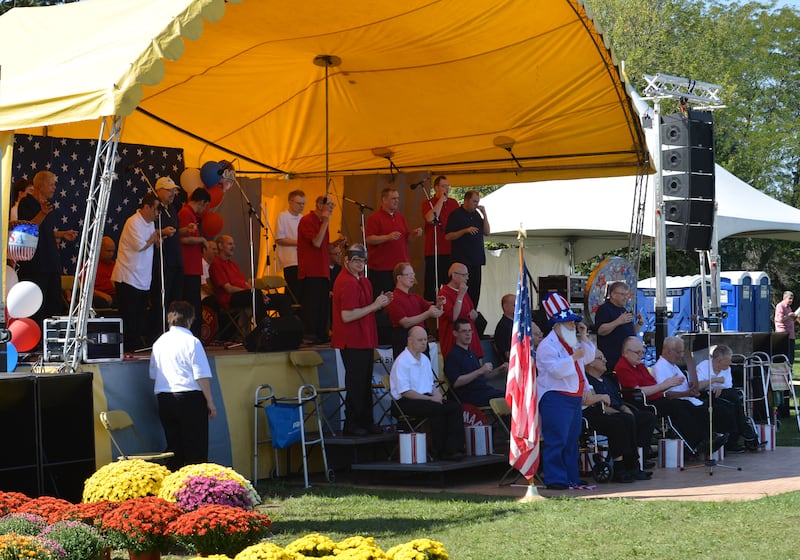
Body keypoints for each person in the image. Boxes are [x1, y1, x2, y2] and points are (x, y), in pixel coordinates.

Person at [615, 336, 727, 454]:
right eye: (638, 352)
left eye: (642, 352)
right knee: (677, 406)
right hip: (642, 402)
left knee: (688, 405)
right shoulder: (623, 367)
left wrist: (669, 384)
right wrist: (664, 385)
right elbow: (638, 391)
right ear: (626, 352)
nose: (641, 355)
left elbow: (655, 386)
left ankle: (707, 437)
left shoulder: (640, 366)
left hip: (657, 397)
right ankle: (697, 441)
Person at [535, 292, 595, 490]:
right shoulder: (547, 346)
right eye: (569, 323)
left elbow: (588, 358)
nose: (573, 326)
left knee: (571, 440)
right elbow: (555, 370)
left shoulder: (572, 342)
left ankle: (571, 477)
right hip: (555, 397)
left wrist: (584, 336)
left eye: (573, 322)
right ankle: (555, 478)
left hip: (573, 397)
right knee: (556, 439)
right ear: (558, 325)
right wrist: (574, 358)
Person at [332, 244, 392, 436]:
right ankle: (352, 423)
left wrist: (381, 302)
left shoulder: (364, 281)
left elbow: (366, 308)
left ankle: (366, 421)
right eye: (356, 260)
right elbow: (347, 316)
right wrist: (375, 306)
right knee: (356, 383)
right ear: (346, 261)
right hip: (352, 340)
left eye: (362, 260)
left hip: (365, 338)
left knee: (365, 383)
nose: (360, 264)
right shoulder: (346, 282)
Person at [149, 300, 217, 470]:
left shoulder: (159, 342)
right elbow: (201, 375)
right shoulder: (192, 342)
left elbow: (152, 373)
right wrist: (210, 401)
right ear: (190, 319)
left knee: (174, 447)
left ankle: (173, 486)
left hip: (165, 396)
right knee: (196, 447)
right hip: (190, 396)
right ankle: (196, 489)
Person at [390, 326, 465, 461]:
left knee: (455, 407)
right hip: (405, 401)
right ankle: (438, 450)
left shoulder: (424, 359)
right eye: (420, 340)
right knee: (436, 409)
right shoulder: (402, 361)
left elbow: (430, 385)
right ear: (410, 340)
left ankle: (455, 449)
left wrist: (437, 395)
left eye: (425, 339)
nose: (424, 342)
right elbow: (405, 392)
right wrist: (429, 399)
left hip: (425, 397)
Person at [16, 170, 78, 328]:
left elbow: (44, 232)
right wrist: (42, 213)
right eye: (51, 184)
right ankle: (35, 343)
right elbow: (28, 229)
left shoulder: (47, 206)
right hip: (35, 265)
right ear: (41, 185)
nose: (54, 188)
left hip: (51, 263)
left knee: (54, 305)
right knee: (37, 307)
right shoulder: (26, 203)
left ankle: (51, 342)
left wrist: (62, 234)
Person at [112, 192, 173, 351]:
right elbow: (140, 245)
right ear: (146, 207)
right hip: (128, 276)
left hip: (143, 277)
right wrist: (156, 237)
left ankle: (137, 344)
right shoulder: (133, 222)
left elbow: (150, 241)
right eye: (156, 209)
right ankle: (128, 346)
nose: (157, 213)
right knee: (130, 314)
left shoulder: (150, 223)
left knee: (140, 314)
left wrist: (158, 239)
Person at [583, 349, 655, 481]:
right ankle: (621, 466)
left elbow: (618, 401)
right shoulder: (587, 381)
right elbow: (598, 405)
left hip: (617, 412)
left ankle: (637, 461)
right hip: (597, 414)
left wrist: (625, 408)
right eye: (601, 358)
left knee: (646, 417)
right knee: (622, 421)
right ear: (591, 363)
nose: (605, 360)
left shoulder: (607, 380)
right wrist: (621, 412)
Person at [695, 344, 762, 452]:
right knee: (732, 399)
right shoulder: (703, 367)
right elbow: (697, 386)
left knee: (732, 402)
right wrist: (715, 381)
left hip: (723, 394)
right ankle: (746, 433)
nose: (730, 363)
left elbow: (727, 385)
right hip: (705, 394)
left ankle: (737, 438)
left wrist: (720, 387)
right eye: (728, 360)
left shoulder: (727, 369)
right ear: (719, 361)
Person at [210, 234, 289, 324]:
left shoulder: (233, 264)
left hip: (247, 295)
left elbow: (245, 283)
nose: (233, 247)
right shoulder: (216, 264)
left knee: (282, 298)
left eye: (233, 244)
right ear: (220, 246)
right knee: (256, 295)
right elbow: (228, 288)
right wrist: (253, 292)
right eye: (230, 244)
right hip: (230, 298)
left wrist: (258, 293)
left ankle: (287, 327)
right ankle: (265, 327)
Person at [298, 196, 345, 343]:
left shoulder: (322, 223)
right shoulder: (308, 220)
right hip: (311, 270)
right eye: (328, 204)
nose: (331, 207)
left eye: (333, 205)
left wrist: (336, 243)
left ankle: (322, 334)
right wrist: (325, 222)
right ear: (319, 204)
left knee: (323, 305)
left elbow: (324, 247)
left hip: (323, 269)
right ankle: (310, 334)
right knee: (312, 305)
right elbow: (316, 243)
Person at [365, 187, 423, 296]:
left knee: (400, 298)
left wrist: (414, 234)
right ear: (384, 200)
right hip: (382, 269)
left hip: (401, 267)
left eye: (398, 198)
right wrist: (387, 237)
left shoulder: (400, 217)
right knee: (384, 300)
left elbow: (407, 239)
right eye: (393, 198)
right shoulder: (374, 218)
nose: (397, 201)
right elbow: (369, 239)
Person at [150, 177, 184, 341]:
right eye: (169, 190)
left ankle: (175, 332)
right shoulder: (155, 209)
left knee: (175, 298)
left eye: (173, 190)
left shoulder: (172, 209)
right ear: (159, 191)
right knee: (161, 298)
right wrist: (163, 231)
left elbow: (176, 231)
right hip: (162, 260)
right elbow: (147, 232)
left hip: (176, 259)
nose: (173, 193)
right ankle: (158, 334)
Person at [444, 318, 507, 407]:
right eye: (464, 331)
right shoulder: (452, 356)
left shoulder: (472, 353)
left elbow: (482, 376)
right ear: (455, 333)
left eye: (470, 331)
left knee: (510, 394)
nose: (468, 334)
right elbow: (456, 382)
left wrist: (498, 370)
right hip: (469, 395)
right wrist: (480, 371)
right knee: (507, 397)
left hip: (483, 390)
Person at [386, 262, 443, 358]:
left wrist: (440, 304)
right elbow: (405, 322)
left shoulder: (416, 297)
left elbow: (436, 313)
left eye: (413, 275)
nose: (412, 277)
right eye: (409, 275)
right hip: (405, 342)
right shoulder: (393, 298)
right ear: (399, 278)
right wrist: (427, 314)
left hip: (421, 342)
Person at [445, 190, 490, 309]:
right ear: (466, 200)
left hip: (476, 260)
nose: (476, 204)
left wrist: (484, 214)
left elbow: (487, 232)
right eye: (474, 201)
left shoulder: (476, 215)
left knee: (475, 292)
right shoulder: (456, 215)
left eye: (477, 202)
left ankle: (473, 314)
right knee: (463, 292)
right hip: (462, 261)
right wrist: (465, 230)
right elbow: (448, 236)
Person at [178, 187, 211, 337]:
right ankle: (192, 335)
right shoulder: (185, 213)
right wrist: (202, 239)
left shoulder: (190, 214)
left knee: (195, 303)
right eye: (206, 206)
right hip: (188, 267)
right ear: (202, 202)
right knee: (192, 304)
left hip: (193, 267)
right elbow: (183, 238)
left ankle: (194, 334)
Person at [420, 176, 459, 301]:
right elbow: (430, 218)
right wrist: (441, 199)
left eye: (448, 186)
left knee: (450, 284)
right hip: (434, 250)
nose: (446, 189)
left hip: (451, 250)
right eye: (443, 186)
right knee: (432, 286)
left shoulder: (453, 203)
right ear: (436, 188)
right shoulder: (428, 203)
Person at [437, 262, 483, 360]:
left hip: (470, 342)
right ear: (454, 275)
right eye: (464, 275)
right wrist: (460, 295)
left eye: (467, 275)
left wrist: (474, 314)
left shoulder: (463, 292)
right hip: (454, 343)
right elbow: (453, 316)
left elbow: (471, 310)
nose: (467, 278)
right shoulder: (444, 293)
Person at [594, 281, 644, 372]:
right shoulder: (605, 309)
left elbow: (629, 332)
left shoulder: (623, 310)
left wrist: (639, 324)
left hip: (627, 360)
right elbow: (601, 331)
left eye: (626, 295)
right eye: (622, 294)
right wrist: (618, 321)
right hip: (612, 360)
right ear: (612, 294)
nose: (625, 298)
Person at [276, 189, 306, 304]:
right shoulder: (283, 216)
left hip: (302, 260)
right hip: (290, 261)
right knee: (292, 291)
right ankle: (289, 316)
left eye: (303, 203)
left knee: (301, 292)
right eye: (299, 203)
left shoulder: (303, 218)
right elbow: (280, 239)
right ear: (290, 202)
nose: (301, 206)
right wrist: (299, 243)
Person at [92, 236, 117, 308]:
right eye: (108, 251)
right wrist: (101, 294)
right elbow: (83, 288)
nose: (111, 254)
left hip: (115, 295)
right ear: (99, 249)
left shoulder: (116, 266)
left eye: (113, 251)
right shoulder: (91, 267)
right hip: (99, 296)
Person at [774, 291, 797, 364]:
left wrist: (794, 317)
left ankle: (789, 372)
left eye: (792, 299)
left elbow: (788, 320)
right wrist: (789, 315)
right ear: (784, 298)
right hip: (783, 335)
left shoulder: (789, 308)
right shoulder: (780, 306)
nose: (791, 301)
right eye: (789, 298)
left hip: (790, 335)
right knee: (784, 356)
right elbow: (779, 319)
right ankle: (783, 373)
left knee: (791, 357)